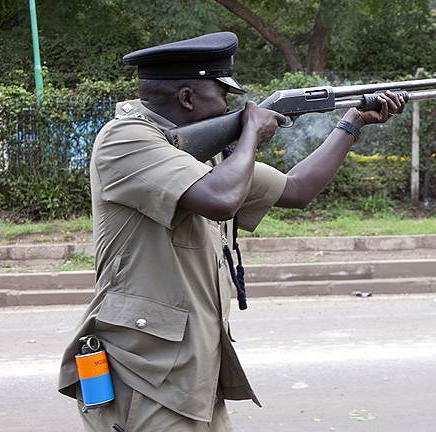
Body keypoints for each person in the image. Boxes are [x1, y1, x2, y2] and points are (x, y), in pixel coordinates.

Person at [56, 31, 404, 431]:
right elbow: (220, 198)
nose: (231, 106)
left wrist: (353, 122)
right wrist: (250, 135)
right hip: (144, 378)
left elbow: (296, 190)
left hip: (196, 376)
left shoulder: (197, 154)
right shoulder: (125, 139)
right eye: (223, 95)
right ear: (187, 98)